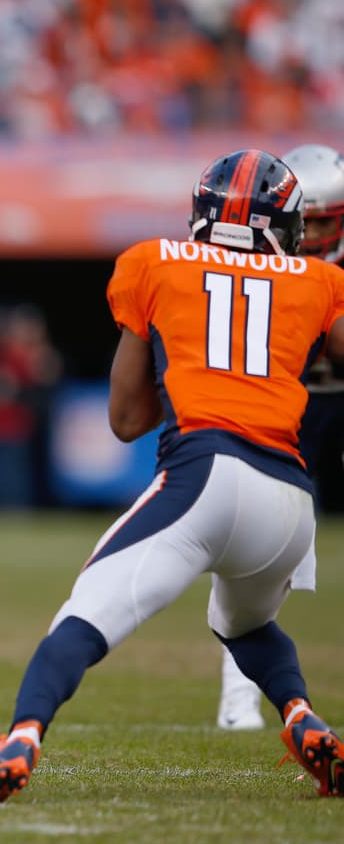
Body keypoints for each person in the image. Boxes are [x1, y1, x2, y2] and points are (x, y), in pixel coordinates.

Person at [0, 149, 344, 803]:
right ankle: (301, 714)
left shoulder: (153, 262)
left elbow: (127, 418)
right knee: (243, 623)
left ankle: (23, 733)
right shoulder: (318, 281)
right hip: (291, 502)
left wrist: (184, 356)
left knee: (85, 614)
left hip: (207, 470)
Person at [215, 142, 344, 731]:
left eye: (323, 222)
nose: (312, 235)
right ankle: (238, 698)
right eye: (304, 222)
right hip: (281, 408)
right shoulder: (254, 262)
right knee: (250, 549)